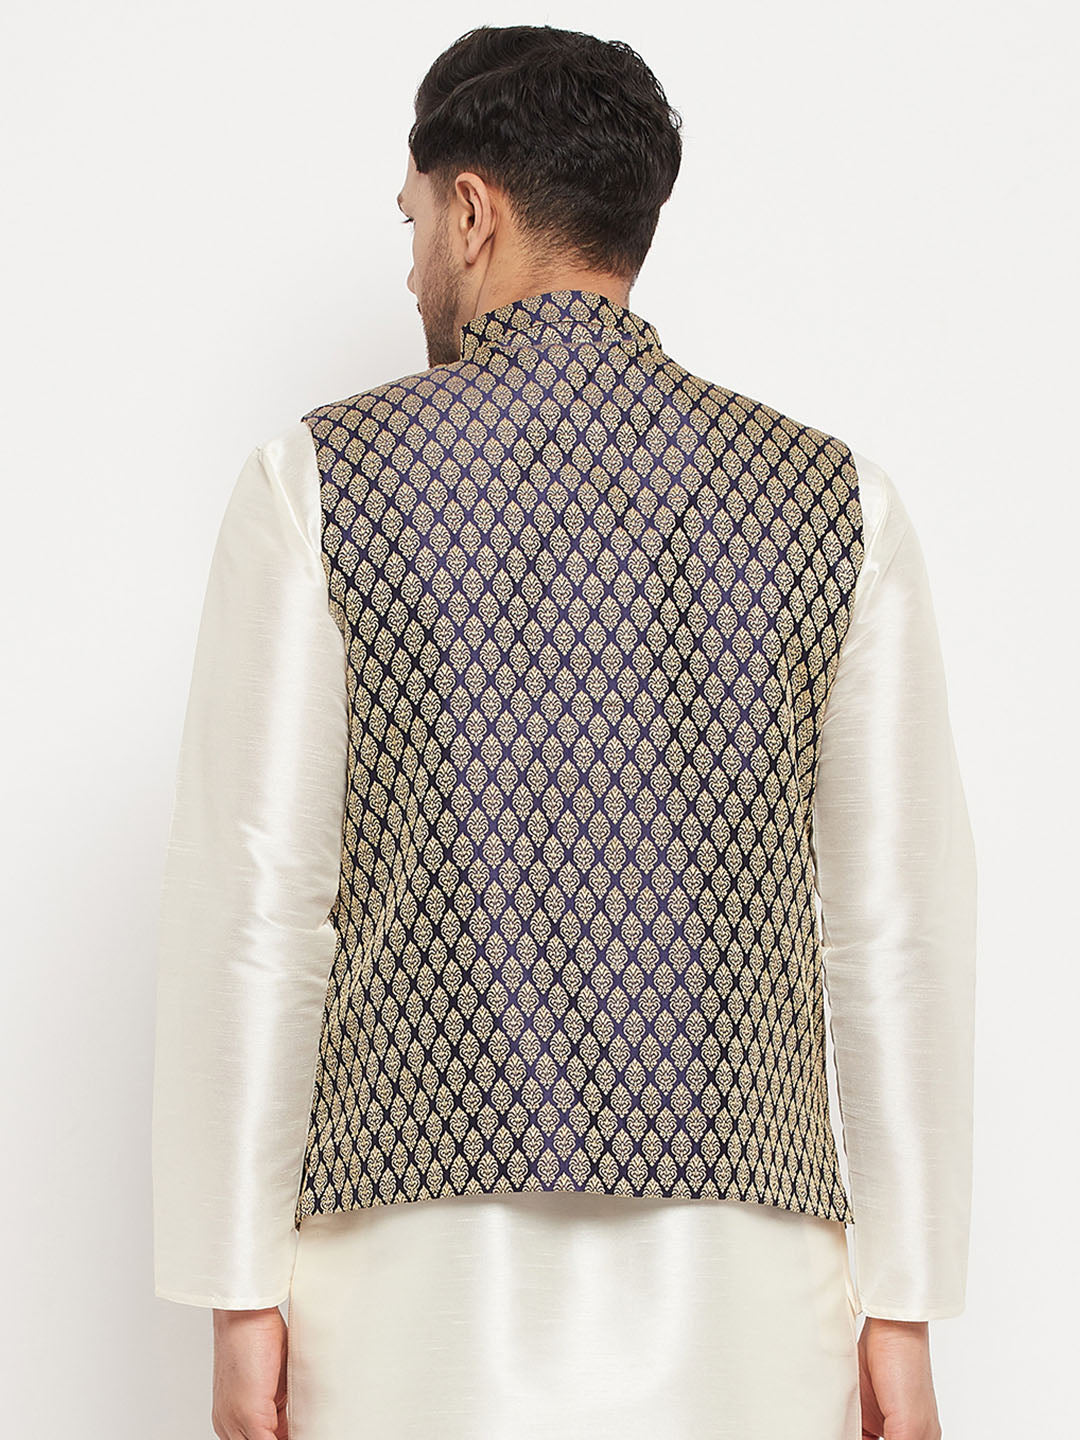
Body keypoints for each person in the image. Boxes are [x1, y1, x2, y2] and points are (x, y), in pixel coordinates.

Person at [151, 24, 976, 1440]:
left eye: (413, 222)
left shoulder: (320, 480)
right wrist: (901, 1303)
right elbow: (894, 928)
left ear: (472, 212)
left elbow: (259, 903)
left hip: (404, 1270)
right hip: (751, 1271)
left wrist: (236, 1290)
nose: (411, 263)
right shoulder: (834, 500)